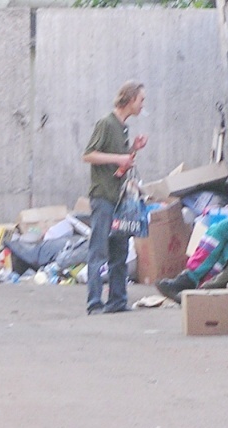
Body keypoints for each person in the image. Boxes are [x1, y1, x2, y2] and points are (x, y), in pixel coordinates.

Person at [82, 80, 148, 314]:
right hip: (103, 197)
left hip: (119, 200)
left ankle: (117, 300)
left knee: (119, 250)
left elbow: (121, 161)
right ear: (130, 100)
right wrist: (118, 159)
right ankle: (94, 303)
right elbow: (88, 155)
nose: (142, 105)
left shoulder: (123, 128)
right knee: (99, 251)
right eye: (141, 100)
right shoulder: (106, 124)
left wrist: (133, 150)